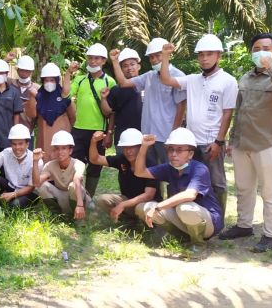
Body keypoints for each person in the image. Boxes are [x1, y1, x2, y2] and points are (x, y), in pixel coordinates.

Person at [219, 33, 272, 252]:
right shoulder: (245, 78)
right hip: (242, 143)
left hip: (268, 143)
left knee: (270, 191)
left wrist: (271, 69)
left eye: (265, 48)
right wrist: (231, 139)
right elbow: (240, 111)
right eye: (255, 48)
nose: (260, 52)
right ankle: (244, 225)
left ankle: (271, 235)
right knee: (244, 188)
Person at [157, 36, 238, 217]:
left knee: (216, 183)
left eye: (209, 54)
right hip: (191, 144)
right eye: (201, 55)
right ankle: (187, 218)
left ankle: (217, 219)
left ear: (219, 56)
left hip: (211, 143)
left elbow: (227, 113)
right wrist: (165, 56)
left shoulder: (228, 80)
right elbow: (166, 79)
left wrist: (219, 141)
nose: (204, 58)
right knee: (186, 181)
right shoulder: (192, 80)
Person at [134, 128, 223, 249]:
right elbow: (139, 172)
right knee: (143, 207)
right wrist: (144, 146)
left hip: (208, 223)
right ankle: (182, 237)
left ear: (191, 154)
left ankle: (198, 244)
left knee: (185, 207)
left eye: (180, 150)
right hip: (182, 216)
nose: (173, 154)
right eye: (171, 149)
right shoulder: (169, 168)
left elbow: (189, 195)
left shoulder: (200, 169)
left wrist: (158, 207)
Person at [109, 38, 187, 166]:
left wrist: (174, 134)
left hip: (166, 136)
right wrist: (115, 61)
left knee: (172, 172)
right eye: (151, 57)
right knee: (152, 174)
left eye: (157, 55)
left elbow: (181, 107)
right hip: (148, 136)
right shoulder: (149, 76)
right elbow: (123, 83)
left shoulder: (178, 76)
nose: (154, 60)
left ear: (167, 55)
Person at [71, 43, 116, 197]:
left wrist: (109, 133)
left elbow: (112, 112)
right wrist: (68, 74)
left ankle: (88, 197)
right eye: (90, 58)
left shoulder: (110, 82)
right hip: (78, 128)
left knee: (95, 165)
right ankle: (76, 195)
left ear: (103, 61)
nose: (93, 61)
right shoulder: (79, 79)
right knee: (76, 163)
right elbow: (66, 94)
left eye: (97, 58)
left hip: (99, 130)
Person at [90, 128, 160, 226]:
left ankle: (151, 227)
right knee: (102, 200)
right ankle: (127, 221)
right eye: (125, 147)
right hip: (129, 201)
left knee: (141, 208)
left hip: (147, 203)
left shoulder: (150, 164)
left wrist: (123, 205)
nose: (128, 151)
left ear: (140, 147)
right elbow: (95, 159)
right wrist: (93, 141)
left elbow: (149, 195)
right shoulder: (122, 159)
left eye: (132, 147)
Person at [25, 62, 77, 162]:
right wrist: (31, 97)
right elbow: (32, 115)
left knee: (62, 161)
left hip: (63, 135)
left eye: (52, 80)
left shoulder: (64, 97)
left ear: (57, 80)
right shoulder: (38, 96)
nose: (49, 83)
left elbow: (72, 117)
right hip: (44, 137)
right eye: (46, 80)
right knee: (44, 162)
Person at [32, 131, 89, 222]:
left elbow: (77, 180)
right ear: (54, 150)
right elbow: (36, 183)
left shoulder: (78, 164)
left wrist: (80, 205)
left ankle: (79, 219)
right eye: (57, 148)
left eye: (64, 148)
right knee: (43, 186)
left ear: (70, 150)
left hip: (78, 199)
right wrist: (35, 161)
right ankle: (57, 216)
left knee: (72, 185)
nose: (60, 152)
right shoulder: (50, 165)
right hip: (62, 198)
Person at [0, 124, 40, 208]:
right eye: (14, 144)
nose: (17, 147)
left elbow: (31, 187)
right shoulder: (6, 153)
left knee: (14, 205)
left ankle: (7, 201)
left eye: (20, 144)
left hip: (29, 192)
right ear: (10, 144)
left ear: (27, 144)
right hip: (12, 186)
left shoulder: (34, 159)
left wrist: (13, 195)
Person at [101, 48, 143, 146]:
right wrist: (109, 133)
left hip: (145, 135)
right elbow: (110, 113)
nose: (129, 68)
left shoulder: (148, 85)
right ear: (120, 69)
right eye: (125, 66)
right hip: (123, 136)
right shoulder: (116, 90)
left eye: (132, 64)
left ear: (139, 66)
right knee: (122, 161)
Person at [9, 55, 40, 137]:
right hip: (9, 131)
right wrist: (5, 60)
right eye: (22, 69)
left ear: (31, 71)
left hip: (28, 132)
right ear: (17, 69)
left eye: (27, 70)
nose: (24, 72)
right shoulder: (10, 83)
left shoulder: (37, 88)